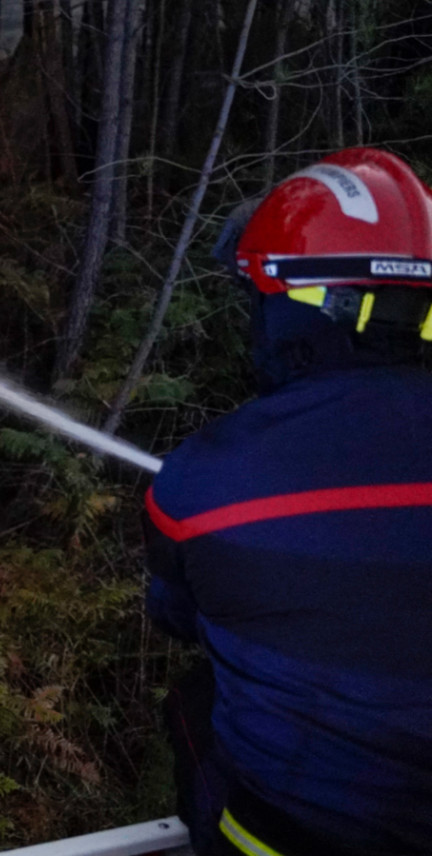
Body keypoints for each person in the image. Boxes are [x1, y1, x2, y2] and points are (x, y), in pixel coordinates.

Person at [147, 147, 432, 854]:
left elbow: (177, 616)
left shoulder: (203, 480)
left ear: (299, 309)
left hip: (294, 839)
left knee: (196, 697)